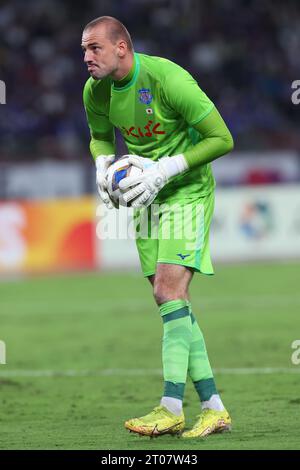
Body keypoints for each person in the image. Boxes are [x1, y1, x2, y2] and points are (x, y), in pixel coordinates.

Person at [82, 15, 234, 438]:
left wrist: (165, 169)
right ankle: (213, 407)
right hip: (145, 198)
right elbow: (99, 135)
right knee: (170, 300)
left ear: (121, 48)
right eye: (83, 50)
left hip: (185, 190)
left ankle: (170, 406)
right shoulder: (95, 91)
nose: (87, 58)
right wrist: (101, 163)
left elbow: (222, 138)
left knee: (169, 290)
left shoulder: (168, 79)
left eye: (94, 48)